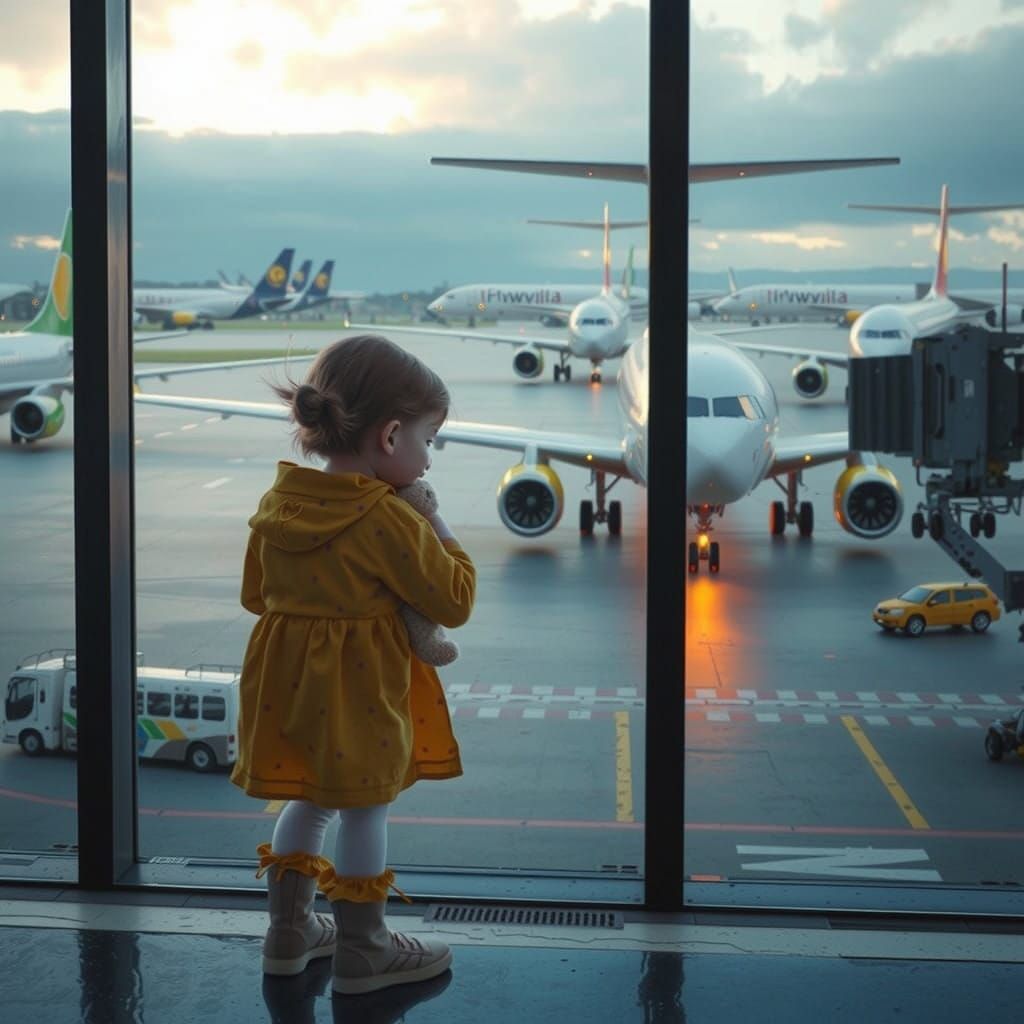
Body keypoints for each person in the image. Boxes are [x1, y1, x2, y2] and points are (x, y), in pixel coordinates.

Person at [232, 335, 476, 996]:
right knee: (366, 810)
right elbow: (454, 599)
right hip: (360, 697)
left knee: (307, 802)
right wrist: (436, 519)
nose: (429, 457)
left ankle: (288, 933)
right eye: (429, 440)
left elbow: (257, 596)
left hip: (287, 693)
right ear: (391, 437)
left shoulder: (276, 504)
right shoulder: (385, 522)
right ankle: (364, 949)